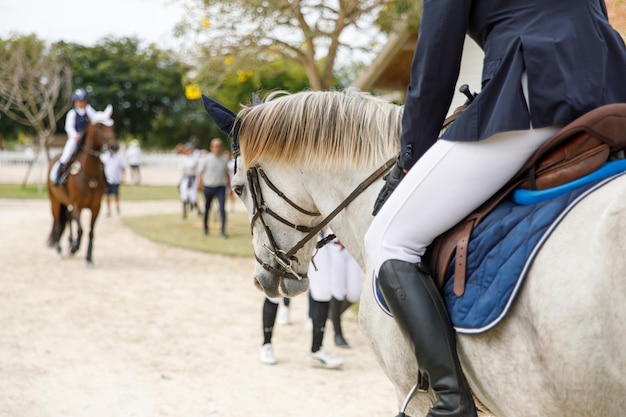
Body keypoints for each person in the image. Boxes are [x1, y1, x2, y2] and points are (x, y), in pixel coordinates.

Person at [364, 2, 626, 417]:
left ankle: (451, 402)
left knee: (388, 239)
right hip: (609, 86)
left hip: (534, 88)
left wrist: (410, 157)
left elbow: (436, 58)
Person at [53, 88, 95, 185]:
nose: (80, 103)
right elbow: (69, 127)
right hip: (76, 138)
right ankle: (57, 176)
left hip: (87, 138)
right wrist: (75, 135)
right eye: (78, 101)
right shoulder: (72, 113)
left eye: (82, 101)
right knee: (66, 155)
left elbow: (96, 119)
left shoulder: (89, 111)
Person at [327, 238, 361, 349]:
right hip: (335, 246)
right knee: (337, 292)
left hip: (352, 246)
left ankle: (333, 314)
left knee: (355, 293)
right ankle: (338, 334)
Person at [199, 138, 230, 238]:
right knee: (207, 208)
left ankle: (223, 231)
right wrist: (200, 183)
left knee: (222, 208)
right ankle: (205, 229)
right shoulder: (206, 159)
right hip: (208, 187)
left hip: (220, 187)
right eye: (215, 146)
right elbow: (201, 172)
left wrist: (230, 188)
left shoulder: (224, 160)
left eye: (219, 146)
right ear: (211, 147)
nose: (217, 148)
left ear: (221, 148)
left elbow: (227, 174)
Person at [178, 136, 201, 219]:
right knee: (184, 195)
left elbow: (192, 166)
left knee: (193, 196)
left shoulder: (195, 158)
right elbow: (182, 170)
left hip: (193, 178)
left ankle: (199, 210)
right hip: (186, 178)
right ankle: (184, 213)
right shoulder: (183, 158)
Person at [100, 143, 126, 216]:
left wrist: (123, 177)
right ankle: (108, 210)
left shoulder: (119, 157)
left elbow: (123, 168)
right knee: (107, 195)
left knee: (116, 194)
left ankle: (117, 206)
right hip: (107, 179)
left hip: (116, 179)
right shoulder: (105, 156)